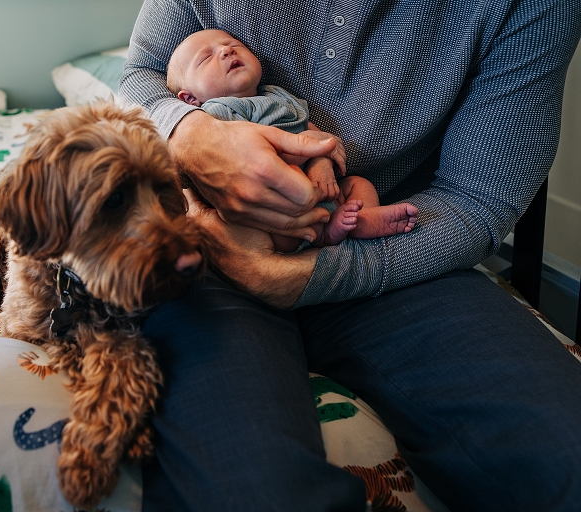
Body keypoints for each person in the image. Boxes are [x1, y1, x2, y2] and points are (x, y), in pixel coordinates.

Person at [120, 1, 581, 510]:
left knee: (567, 453)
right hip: (208, 249)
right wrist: (190, 133)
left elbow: (477, 199)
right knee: (250, 488)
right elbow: (140, 75)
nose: (227, 51)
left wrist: (308, 271)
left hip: (390, 249)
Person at [166, 28, 419, 253]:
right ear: (190, 99)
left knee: (357, 184)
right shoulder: (217, 113)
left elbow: (311, 130)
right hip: (271, 200)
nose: (225, 50)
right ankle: (324, 233)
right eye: (206, 57)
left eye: (234, 44)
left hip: (318, 186)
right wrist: (309, 146)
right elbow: (249, 161)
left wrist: (322, 159)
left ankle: (361, 219)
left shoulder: (276, 94)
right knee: (271, 232)